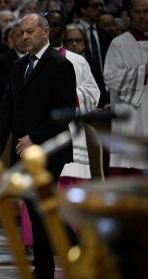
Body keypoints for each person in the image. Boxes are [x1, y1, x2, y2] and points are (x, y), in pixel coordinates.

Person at [0, 13, 76, 279]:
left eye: (30, 31)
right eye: (22, 32)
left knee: (42, 210)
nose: (25, 36)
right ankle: (50, 273)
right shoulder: (18, 66)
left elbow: (65, 112)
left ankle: (50, 273)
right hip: (21, 150)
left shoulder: (60, 65)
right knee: (40, 210)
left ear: (46, 32)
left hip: (50, 151)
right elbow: (7, 109)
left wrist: (34, 138)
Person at [46, 10, 100, 186]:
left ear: (64, 29)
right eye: (48, 25)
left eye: (56, 25)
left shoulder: (78, 61)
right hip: (42, 130)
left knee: (70, 186)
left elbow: (93, 93)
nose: (51, 30)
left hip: (72, 130)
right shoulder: (32, 60)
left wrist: (71, 95)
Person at [103, 0, 148, 175]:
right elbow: (110, 78)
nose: (143, 16)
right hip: (132, 115)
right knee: (132, 171)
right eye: (138, 12)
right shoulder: (118, 44)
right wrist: (143, 73)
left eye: (147, 11)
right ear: (130, 14)